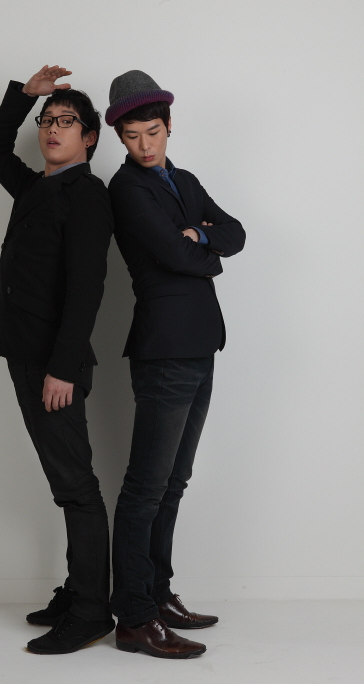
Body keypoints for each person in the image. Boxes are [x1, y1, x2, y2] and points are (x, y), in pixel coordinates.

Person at [105, 70, 246, 659]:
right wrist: (202, 247)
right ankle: (134, 618)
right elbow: (174, 255)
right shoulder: (125, 189)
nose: (144, 145)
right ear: (121, 138)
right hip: (163, 350)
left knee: (173, 483)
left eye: (153, 132)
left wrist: (203, 238)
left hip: (201, 343)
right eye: (132, 136)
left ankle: (158, 595)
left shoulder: (184, 180)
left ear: (168, 126)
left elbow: (235, 232)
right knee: (146, 487)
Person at [0, 65, 114, 654]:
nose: (53, 128)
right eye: (47, 120)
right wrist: (22, 96)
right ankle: (78, 590)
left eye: (67, 121)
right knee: (65, 484)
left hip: (54, 365)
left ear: (89, 137)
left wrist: (62, 368)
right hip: (25, 352)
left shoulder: (87, 195)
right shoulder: (39, 186)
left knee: (76, 486)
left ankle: (91, 611)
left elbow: (87, 289)